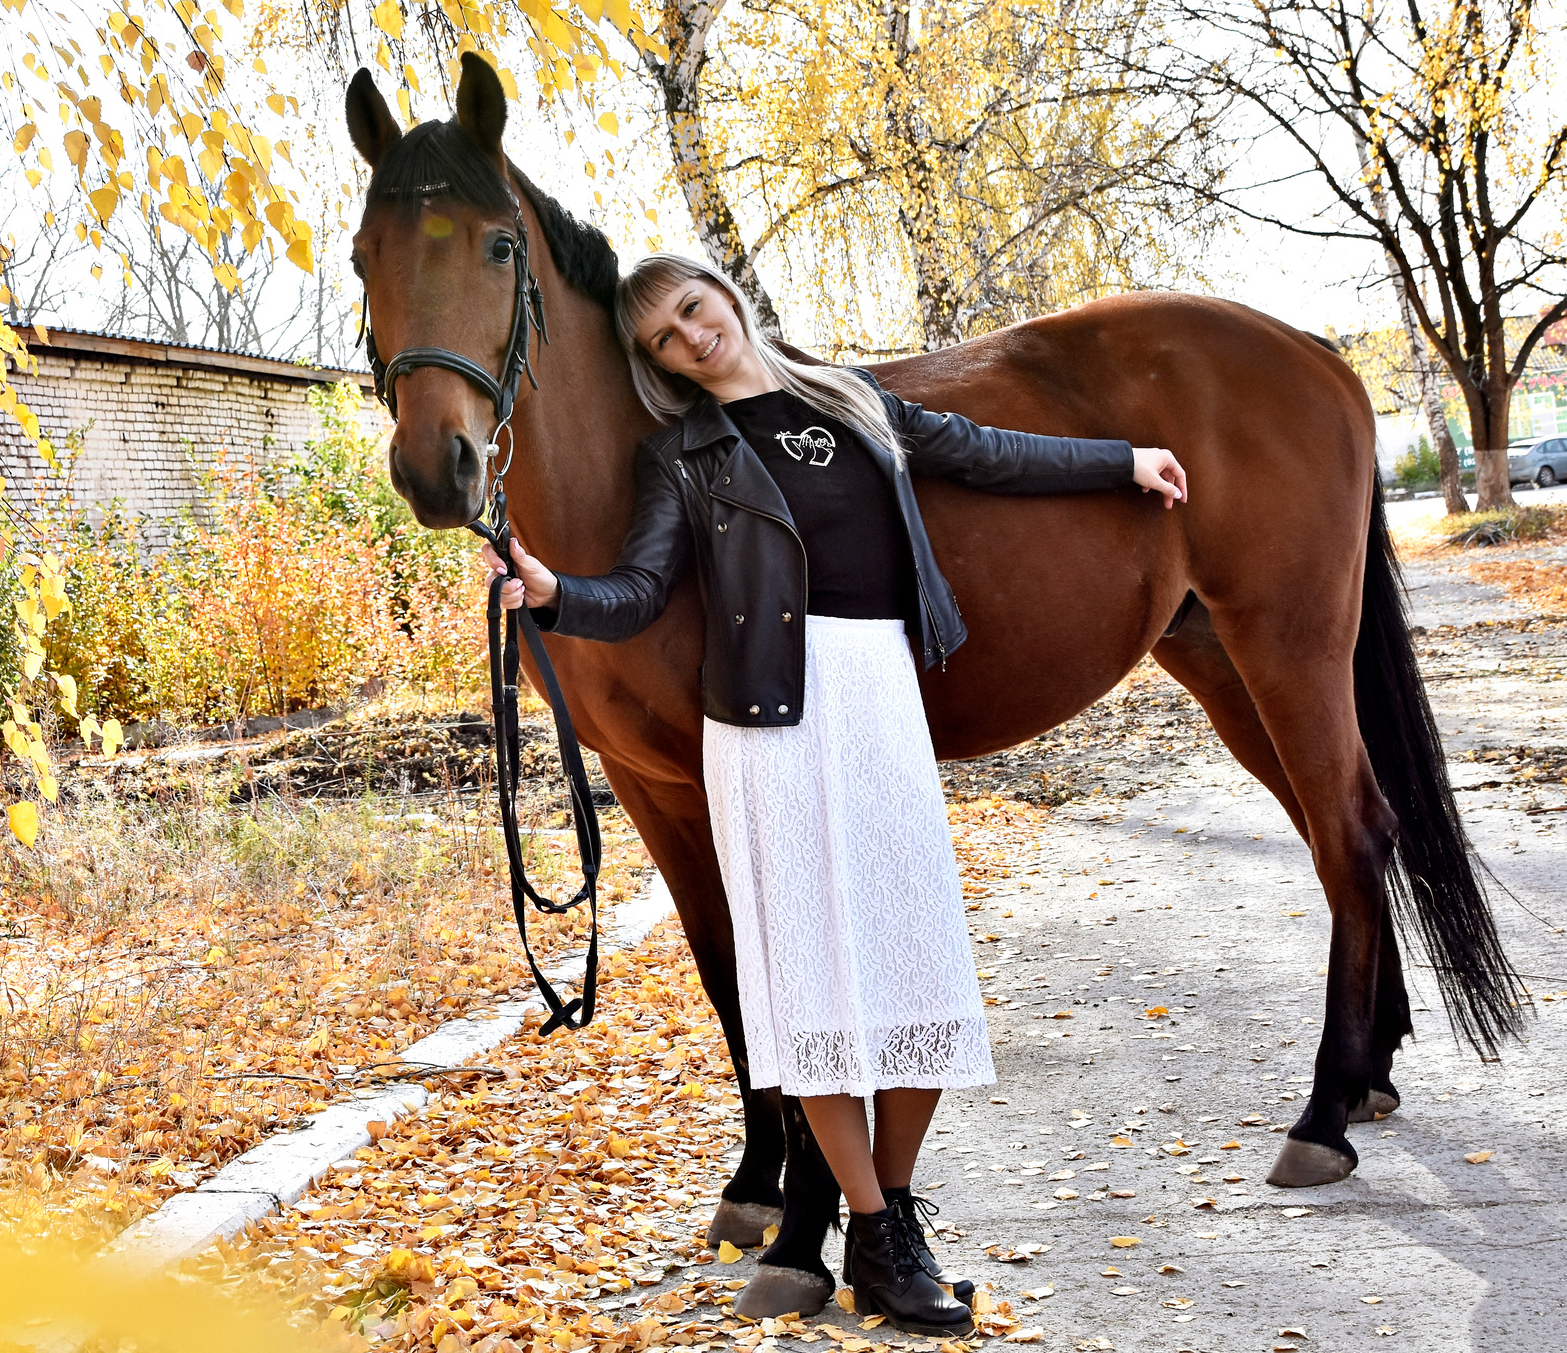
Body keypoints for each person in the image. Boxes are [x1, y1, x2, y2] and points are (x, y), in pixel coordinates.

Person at [484, 255, 1188, 1331]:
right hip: (770, 725)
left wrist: (1122, 460)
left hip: (881, 701)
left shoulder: (850, 398)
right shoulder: (684, 455)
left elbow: (987, 453)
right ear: (658, 366)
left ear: (726, 296)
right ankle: (879, 1225)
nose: (690, 335)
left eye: (693, 308)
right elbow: (632, 593)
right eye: (664, 339)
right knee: (812, 989)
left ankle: (880, 1219)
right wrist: (553, 594)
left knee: (917, 965)